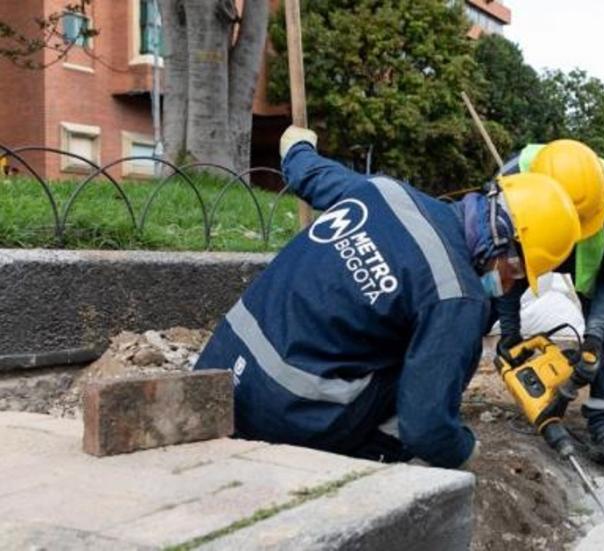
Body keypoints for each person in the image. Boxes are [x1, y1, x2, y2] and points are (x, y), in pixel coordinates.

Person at [194, 126, 582, 469]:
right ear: (505, 246)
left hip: (219, 372)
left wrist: (298, 145)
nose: (510, 286)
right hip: (287, 414)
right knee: (430, 370)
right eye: (516, 272)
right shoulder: (457, 296)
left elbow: (307, 173)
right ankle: (371, 461)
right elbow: (426, 428)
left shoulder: (383, 191)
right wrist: (464, 452)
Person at [494, 140, 604, 464]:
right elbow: (497, 261)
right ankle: (440, 403)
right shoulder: (509, 183)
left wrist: (594, 335)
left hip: (586, 251)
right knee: (479, 298)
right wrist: (508, 329)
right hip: (531, 233)